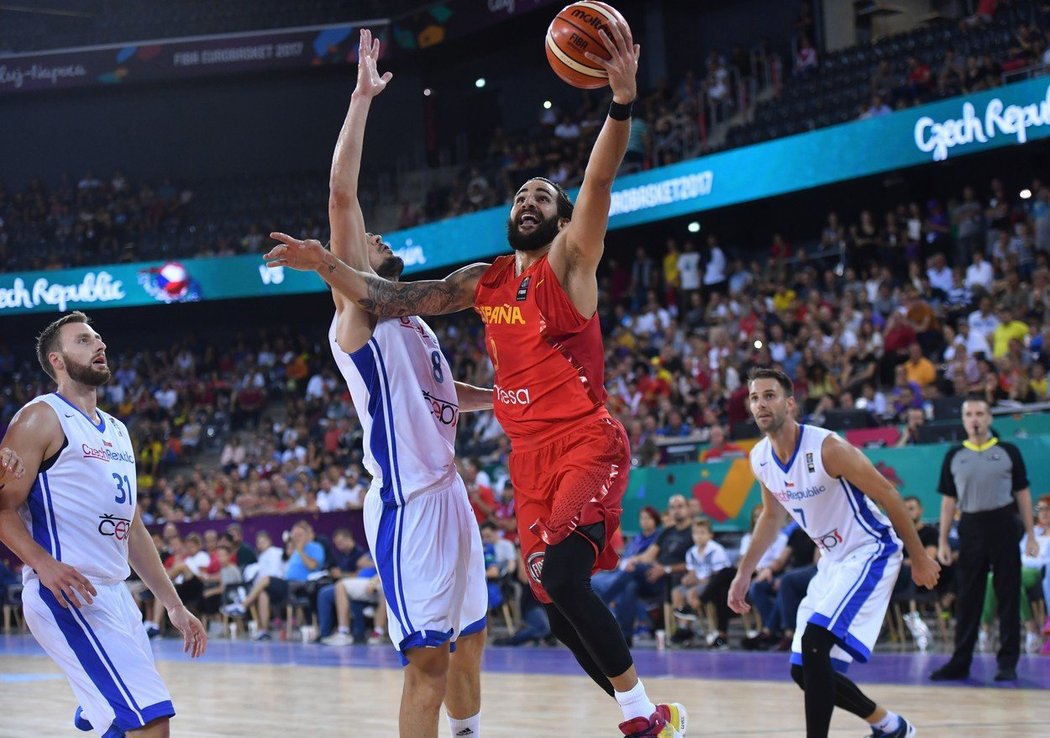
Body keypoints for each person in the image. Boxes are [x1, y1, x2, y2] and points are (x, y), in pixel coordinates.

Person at [265, 15, 687, 738]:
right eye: (520, 195)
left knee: (490, 632)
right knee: (497, 632)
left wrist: (620, 104)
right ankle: (642, 713)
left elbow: (598, 180)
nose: (528, 202)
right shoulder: (435, 295)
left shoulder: (558, 267)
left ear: (556, 224)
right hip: (441, 491)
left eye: (540, 199)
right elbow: (365, 262)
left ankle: (632, 716)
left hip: (541, 456)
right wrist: (332, 261)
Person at [271, 31, 492, 738]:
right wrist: (361, 100)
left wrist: (505, 399)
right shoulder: (357, 314)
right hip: (409, 505)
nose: (385, 241)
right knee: (427, 660)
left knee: (472, 642)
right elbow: (343, 192)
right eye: (374, 241)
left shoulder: (413, 325)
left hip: (450, 491)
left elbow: (438, 392)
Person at [0, 311, 207, 737]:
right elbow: (3, 508)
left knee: (119, 724)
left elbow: (132, 529)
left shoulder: (117, 430)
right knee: (151, 723)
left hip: (115, 596)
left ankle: (98, 710)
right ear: (57, 360)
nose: (99, 345)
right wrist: (43, 564)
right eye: (83, 340)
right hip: (68, 592)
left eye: (98, 339)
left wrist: (173, 604)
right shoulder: (40, 417)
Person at [729, 367, 939, 738]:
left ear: (789, 403)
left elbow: (887, 493)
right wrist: (744, 571)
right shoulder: (760, 458)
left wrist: (919, 556)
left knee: (814, 644)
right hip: (833, 561)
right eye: (754, 397)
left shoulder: (829, 448)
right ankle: (891, 726)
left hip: (870, 550)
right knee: (802, 669)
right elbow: (772, 516)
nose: (760, 404)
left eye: (769, 395)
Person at [929, 396, 1039, 682]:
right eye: (969, 415)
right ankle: (960, 660)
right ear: (964, 420)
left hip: (1003, 523)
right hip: (971, 526)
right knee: (968, 597)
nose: (975, 419)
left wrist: (1030, 534)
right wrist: (942, 541)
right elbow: (948, 501)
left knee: (1008, 593)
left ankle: (1007, 662)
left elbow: (1023, 495)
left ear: (989, 418)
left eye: (980, 413)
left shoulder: (1008, 451)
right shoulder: (955, 455)